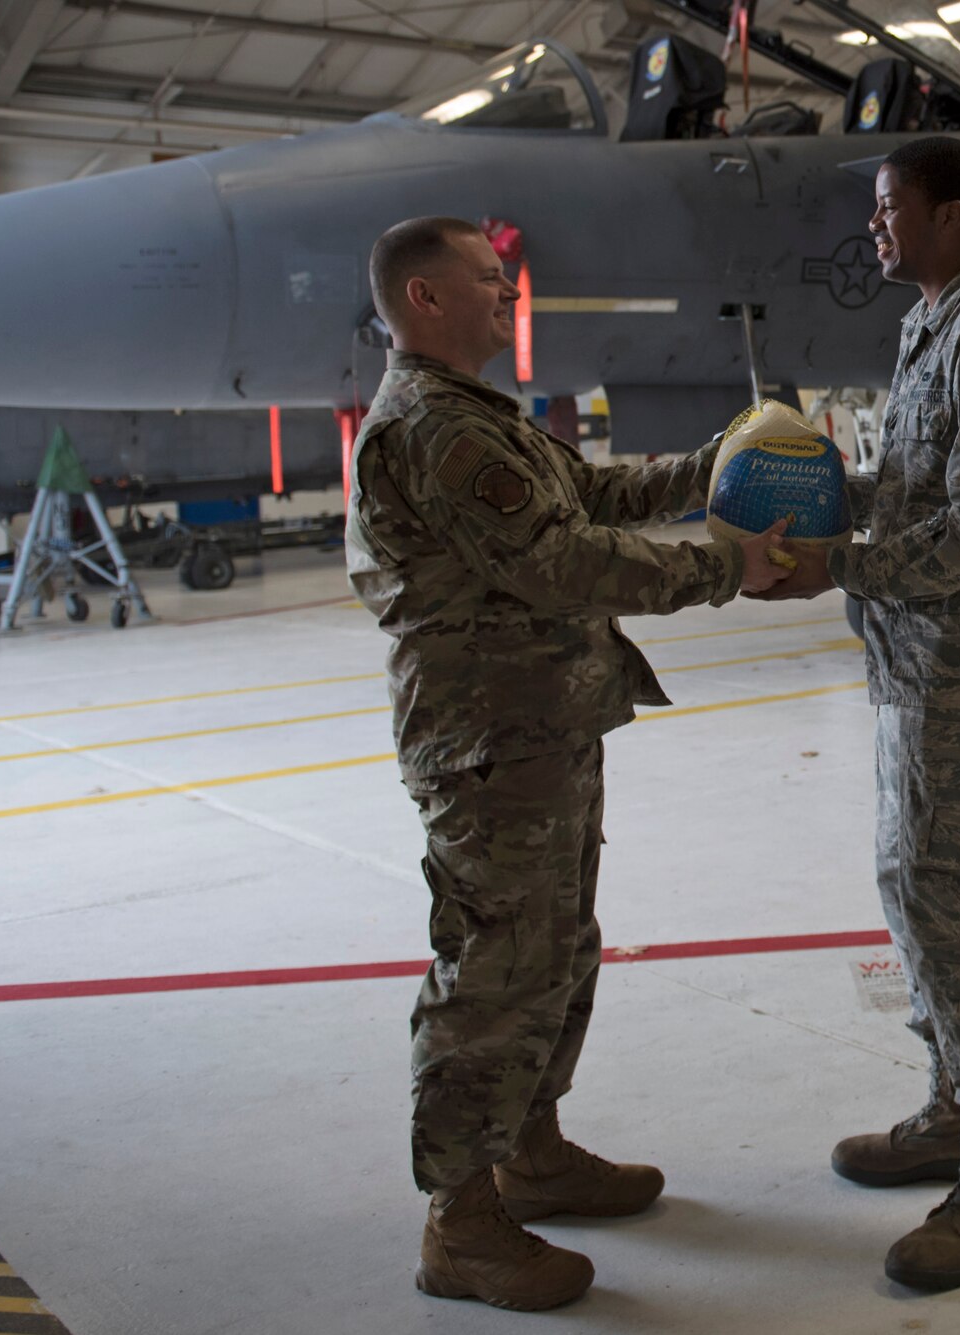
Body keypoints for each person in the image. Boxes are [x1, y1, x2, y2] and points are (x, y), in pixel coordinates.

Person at [344, 216, 791, 1311]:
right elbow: (558, 563)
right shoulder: (434, 430)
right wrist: (725, 567)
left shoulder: (476, 419)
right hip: (489, 740)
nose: (507, 297)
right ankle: (460, 1221)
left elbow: (580, 498)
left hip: (537, 729)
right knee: (495, 972)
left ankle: (528, 1155)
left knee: (552, 952)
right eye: (488, 283)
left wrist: (710, 467)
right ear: (424, 299)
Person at [753, 137, 960, 1291]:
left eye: (889, 209)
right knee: (913, 887)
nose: (874, 227)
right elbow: (919, 488)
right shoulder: (930, 319)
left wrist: (838, 561)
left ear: (948, 213)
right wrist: (818, 493)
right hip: (919, 661)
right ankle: (948, 1104)